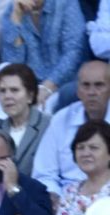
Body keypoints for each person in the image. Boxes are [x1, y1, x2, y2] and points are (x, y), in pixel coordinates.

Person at [32, 61, 110, 200]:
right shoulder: (61, 120)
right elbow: (43, 172)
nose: (92, 92)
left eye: (99, 85)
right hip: (65, 200)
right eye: (86, 85)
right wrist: (53, 196)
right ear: (78, 90)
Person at [0, 0, 83, 115]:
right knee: (2, 69)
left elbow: (74, 52)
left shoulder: (66, 3)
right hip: (29, 81)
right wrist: (16, 20)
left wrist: (47, 86)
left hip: (63, 81)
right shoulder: (14, 8)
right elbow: (12, 62)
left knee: (46, 107)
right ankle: (4, 125)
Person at [0, 64, 51, 178]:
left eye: (14, 90)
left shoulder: (49, 126)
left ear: (30, 95)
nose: (7, 96)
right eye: (2, 91)